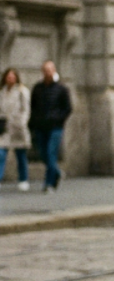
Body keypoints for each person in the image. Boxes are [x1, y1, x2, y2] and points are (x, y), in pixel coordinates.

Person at [29, 60, 70, 193]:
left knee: (51, 153)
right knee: (43, 154)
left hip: (55, 127)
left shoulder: (61, 88)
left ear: (54, 70)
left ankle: (49, 184)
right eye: (45, 70)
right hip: (41, 126)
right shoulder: (38, 88)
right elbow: (33, 106)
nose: (47, 72)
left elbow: (67, 108)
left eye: (50, 69)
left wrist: (58, 119)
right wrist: (34, 122)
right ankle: (57, 172)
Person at [0, 68, 31, 191]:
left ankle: (23, 179)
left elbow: (26, 109)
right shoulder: (2, 91)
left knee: (20, 155)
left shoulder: (22, 91)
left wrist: (22, 122)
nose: (10, 79)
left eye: (13, 77)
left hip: (18, 126)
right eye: (8, 76)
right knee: (1, 154)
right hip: (4, 127)